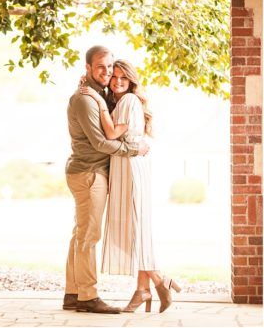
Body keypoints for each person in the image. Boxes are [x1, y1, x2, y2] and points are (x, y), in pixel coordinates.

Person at [81, 59, 183, 313]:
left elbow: (113, 134)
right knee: (137, 229)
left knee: (135, 229)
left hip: (130, 168)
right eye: (114, 77)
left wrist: (97, 101)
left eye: (123, 78)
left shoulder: (127, 101)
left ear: (131, 81)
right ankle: (142, 289)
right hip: (128, 164)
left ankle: (160, 281)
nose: (116, 81)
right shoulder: (125, 102)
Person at [63, 45, 149, 314]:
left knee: (80, 234)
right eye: (100, 66)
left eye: (109, 67)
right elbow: (101, 142)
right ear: (87, 67)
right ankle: (88, 296)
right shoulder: (85, 99)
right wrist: (133, 150)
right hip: (90, 173)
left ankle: (73, 292)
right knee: (89, 236)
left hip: (90, 172)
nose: (107, 71)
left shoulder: (99, 95)